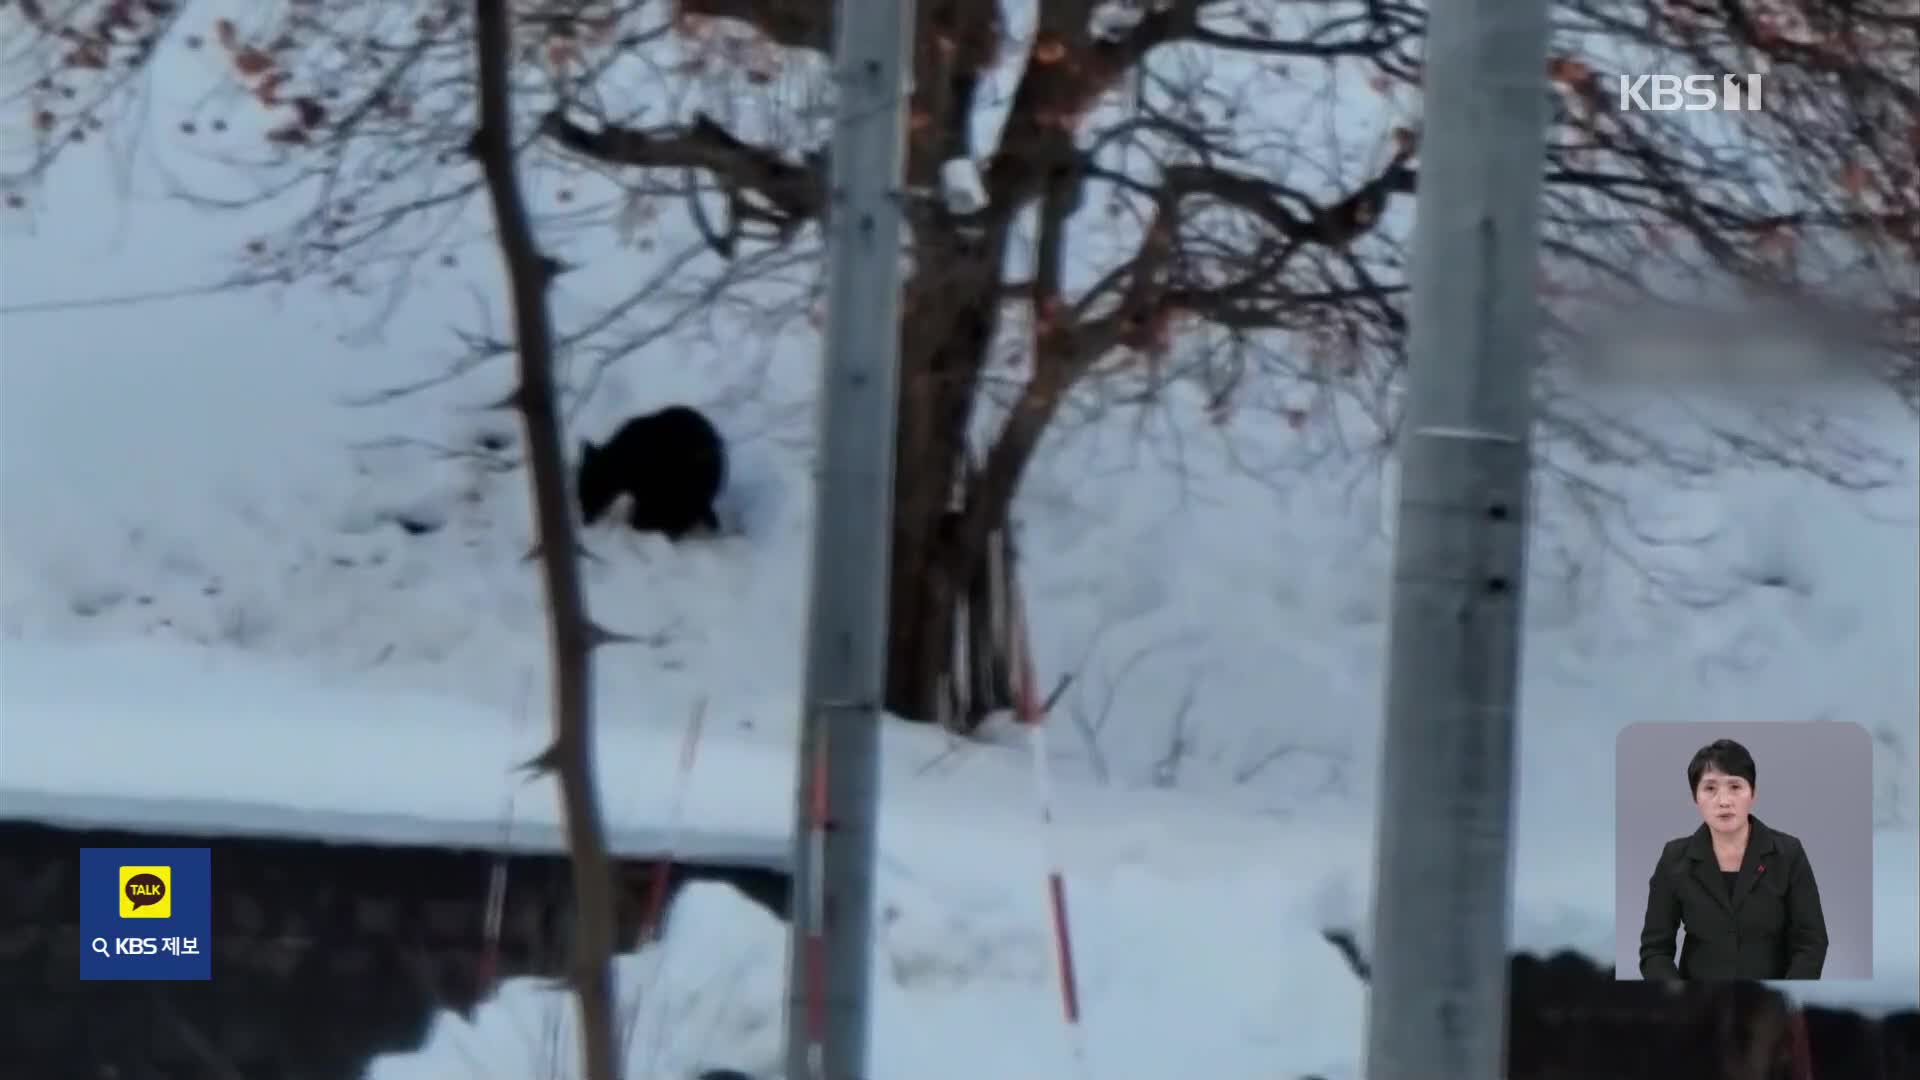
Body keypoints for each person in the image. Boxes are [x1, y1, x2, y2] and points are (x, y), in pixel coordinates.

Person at [1638, 738, 1829, 979]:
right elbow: (1655, 950)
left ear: (1753, 793)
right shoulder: (1674, 858)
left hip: (1770, 998)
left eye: (1735, 787)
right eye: (1710, 788)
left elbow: (1812, 942)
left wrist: (1787, 993)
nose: (1724, 801)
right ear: (1695, 797)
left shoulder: (1788, 853)